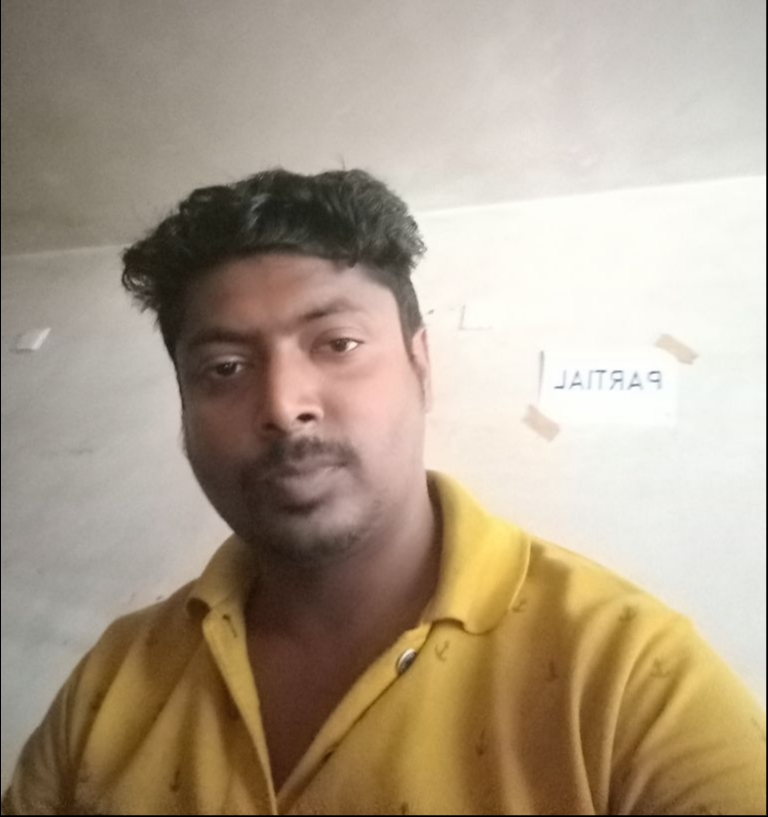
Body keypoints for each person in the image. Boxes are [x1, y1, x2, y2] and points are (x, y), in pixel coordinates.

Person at [3, 168, 765, 817]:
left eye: (337, 344)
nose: (283, 405)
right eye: (225, 368)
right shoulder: (114, 679)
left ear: (420, 365)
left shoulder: (630, 675)